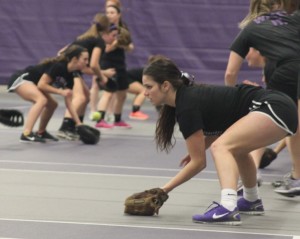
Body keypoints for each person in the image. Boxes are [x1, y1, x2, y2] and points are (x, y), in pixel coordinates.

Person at [142, 56, 297, 225]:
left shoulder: (186, 106)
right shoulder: (187, 99)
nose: (145, 93)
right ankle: (251, 200)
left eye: (149, 87)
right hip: (281, 108)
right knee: (237, 149)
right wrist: (201, 148)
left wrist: (163, 190)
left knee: (222, 147)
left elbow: (199, 163)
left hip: (274, 107)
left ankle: (228, 207)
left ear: (165, 86)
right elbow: (218, 131)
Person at [224, 0, 300, 197]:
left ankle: (295, 177)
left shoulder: (253, 27)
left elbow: (230, 73)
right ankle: (292, 176)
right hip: (284, 68)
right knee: (288, 121)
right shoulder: (291, 19)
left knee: (277, 119)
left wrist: (230, 104)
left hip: (286, 70)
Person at [7, 45, 89, 143]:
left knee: (52, 104)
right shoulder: (59, 65)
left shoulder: (70, 76)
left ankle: (41, 132)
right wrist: (60, 91)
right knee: (41, 100)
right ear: (75, 59)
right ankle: (26, 134)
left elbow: (69, 102)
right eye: (85, 59)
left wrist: (79, 123)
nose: (87, 62)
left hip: (34, 83)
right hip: (22, 79)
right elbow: (42, 85)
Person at [57, 13, 118, 139]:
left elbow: (61, 52)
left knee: (86, 96)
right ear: (106, 29)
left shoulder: (83, 37)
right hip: (69, 69)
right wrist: (103, 77)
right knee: (79, 97)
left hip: (68, 67)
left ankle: (76, 126)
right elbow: (94, 65)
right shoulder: (98, 41)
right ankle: (65, 127)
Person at [95, 4, 134, 129]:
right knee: (109, 91)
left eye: (112, 12)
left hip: (120, 64)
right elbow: (105, 49)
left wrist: (125, 45)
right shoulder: (103, 28)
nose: (109, 15)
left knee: (122, 93)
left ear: (118, 14)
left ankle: (117, 120)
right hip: (107, 64)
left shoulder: (123, 28)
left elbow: (130, 46)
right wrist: (116, 43)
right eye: (108, 12)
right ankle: (100, 119)